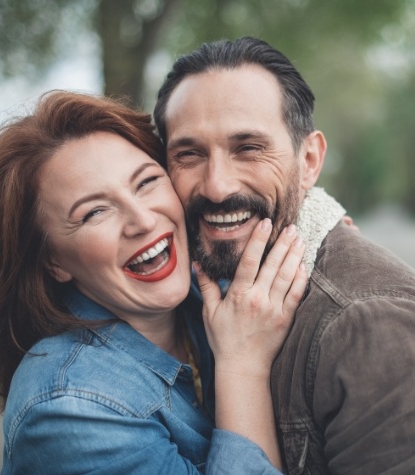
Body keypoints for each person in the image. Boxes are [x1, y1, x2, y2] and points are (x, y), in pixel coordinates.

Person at [0, 90, 308, 474]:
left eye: (146, 182)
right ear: (53, 261)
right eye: (94, 212)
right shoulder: (70, 408)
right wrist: (242, 366)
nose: (142, 220)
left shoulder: (205, 290)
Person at [153, 37, 415, 474]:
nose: (217, 186)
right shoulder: (197, 284)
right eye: (189, 153)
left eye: (248, 148)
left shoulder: (367, 323)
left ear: (308, 160)